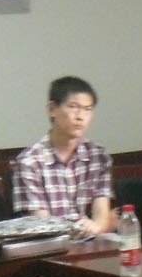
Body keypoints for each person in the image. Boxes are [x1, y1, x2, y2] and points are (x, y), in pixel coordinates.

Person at [11, 75, 113, 234]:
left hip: (91, 239)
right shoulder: (30, 162)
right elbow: (41, 224)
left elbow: (101, 215)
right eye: (73, 107)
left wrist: (97, 226)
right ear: (52, 109)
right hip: (52, 243)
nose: (80, 117)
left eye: (88, 109)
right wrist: (79, 229)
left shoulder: (98, 156)